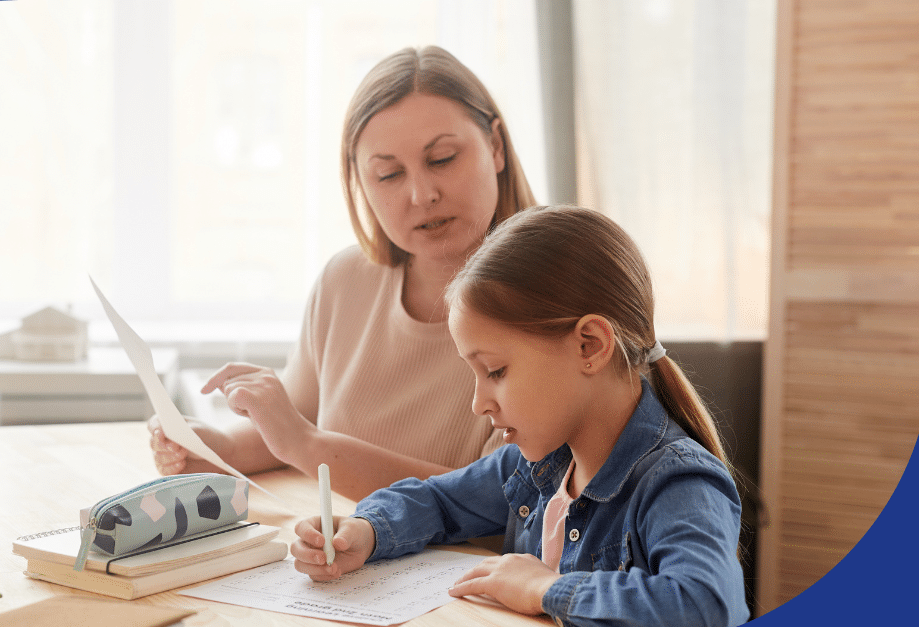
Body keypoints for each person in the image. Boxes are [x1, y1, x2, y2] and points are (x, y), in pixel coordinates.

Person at [290, 206, 749, 626]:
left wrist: (544, 588)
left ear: (590, 344)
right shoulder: (535, 466)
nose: (479, 402)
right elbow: (439, 502)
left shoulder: (679, 483)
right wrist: (365, 532)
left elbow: (705, 605)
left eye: (495, 371)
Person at [148, 45, 538, 499]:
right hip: (339, 552)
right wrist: (219, 448)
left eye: (442, 159)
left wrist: (304, 443)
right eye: (388, 174)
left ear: (495, 146)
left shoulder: (548, 300)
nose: (421, 194)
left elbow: (501, 501)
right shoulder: (346, 280)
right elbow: (297, 427)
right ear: (359, 182)